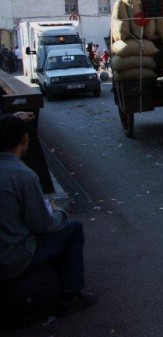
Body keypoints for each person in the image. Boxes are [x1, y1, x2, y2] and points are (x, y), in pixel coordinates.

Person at [0, 113, 96, 316]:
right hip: (13, 257)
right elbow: (43, 225)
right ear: (24, 139)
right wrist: (58, 211)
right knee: (72, 230)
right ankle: (70, 296)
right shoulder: (23, 176)